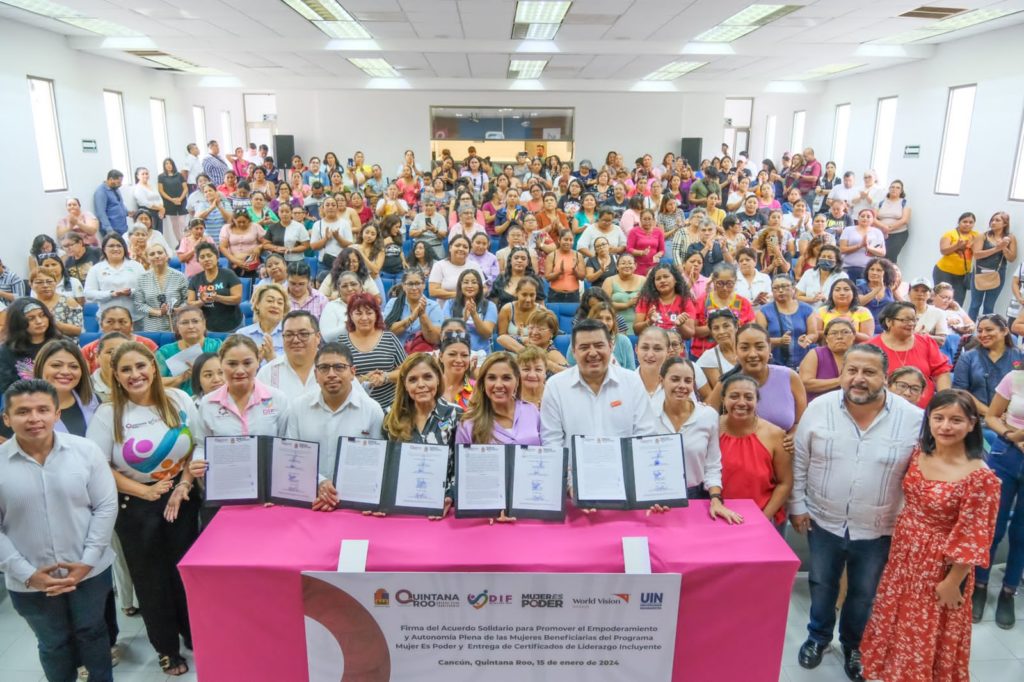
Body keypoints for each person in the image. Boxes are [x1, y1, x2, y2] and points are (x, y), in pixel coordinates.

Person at [790, 344, 923, 680]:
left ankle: (854, 645)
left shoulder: (913, 419)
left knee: (864, 593)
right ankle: (818, 637)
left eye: (869, 372)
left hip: (880, 526)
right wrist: (797, 505)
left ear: (886, 377)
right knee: (822, 583)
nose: (858, 378)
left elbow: (922, 472)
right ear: (842, 373)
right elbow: (801, 459)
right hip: (824, 519)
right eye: (852, 370)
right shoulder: (819, 408)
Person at [861, 390, 1000, 681]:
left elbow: (974, 537)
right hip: (904, 556)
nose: (945, 426)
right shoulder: (919, 453)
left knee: (924, 629)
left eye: (956, 420)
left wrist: (952, 582)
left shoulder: (980, 477)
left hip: (940, 566)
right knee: (898, 620)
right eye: (938, 418)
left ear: (972, 424)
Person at [86, 343, 200, 677]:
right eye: (126, 369)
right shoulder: (109, 414)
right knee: (152, 580)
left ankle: (193, 631)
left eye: (140, 366)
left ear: (153, 366)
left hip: (180, 498)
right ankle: (166, 648)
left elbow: (197, 445)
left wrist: (183, 485)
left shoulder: (178, 399)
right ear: (115, 376)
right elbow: (98, 466)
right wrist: (145, 491)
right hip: (135, 505)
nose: (135, 374)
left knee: (184, 573)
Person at [0, 379, 117, 682]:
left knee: (93, 633)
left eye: (42, 410)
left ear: (57, 414)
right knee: (53, 644)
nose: (34, 418)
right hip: (29, 580)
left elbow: (105, 506)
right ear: (7, 419)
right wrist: (28, 573)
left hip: (90, 572)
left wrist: (87, 561)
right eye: (23, 412)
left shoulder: (86, 451)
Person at [283, 342, 385, 502]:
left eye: (339, 367)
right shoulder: (298, 408)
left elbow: (378, 463)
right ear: (316, 374)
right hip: (309, 497)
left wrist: (333, 494)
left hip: (355, 500)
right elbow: (291, 457)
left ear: (353, 372)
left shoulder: (372, 410)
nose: (331, 374)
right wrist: (319, 483)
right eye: (324, 368)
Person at [540, 319, 657, 448]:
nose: (593, 353)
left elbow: (645, 435)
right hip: (573, 462)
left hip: (625, 461)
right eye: (584, 347)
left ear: (611, 346)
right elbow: (552, 441)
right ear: (573, 351)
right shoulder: (555, 386)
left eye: (599, 345)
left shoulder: (632, 382)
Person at [655, 358, 740, 520]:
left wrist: (716, 499)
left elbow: (712, 464)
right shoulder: (647, 416)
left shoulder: (708, 416)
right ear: (661, 380)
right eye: (675, 379)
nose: (682, 385)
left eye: (688, 381)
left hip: (697, 496)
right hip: (657, 496)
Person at [381, 353, 462, 518]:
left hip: (443, 507)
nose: (421, 384)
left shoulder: (456, 414)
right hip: (401, 508)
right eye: (413, 380)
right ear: (404, 385)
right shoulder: (390, 417)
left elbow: (462, 466)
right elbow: (385, 467)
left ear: (438, 379)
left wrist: (450, 496)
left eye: (427, 377)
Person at [977, 364, 1024, 628]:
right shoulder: (1014, 378)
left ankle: (1008, 591)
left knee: (1022, 533)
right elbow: (992, 416)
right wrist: (1012, 435)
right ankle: (980, 585)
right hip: (1005, 454)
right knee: (992, 526)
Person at [717, 372, 791, 530]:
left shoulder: (775, 434)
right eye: (734, 396)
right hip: (719, 515)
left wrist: (764, 518)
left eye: (749, 397)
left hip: (763, 515)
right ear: (723, 399)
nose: (741, 402)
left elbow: (785, 483)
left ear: (757, 401)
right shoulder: (711, 429)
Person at [707, 324, 806, 437]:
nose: (753, 354)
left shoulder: (789, 377)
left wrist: (793, 435)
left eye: (759, 347)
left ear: (769, 348)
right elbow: (708, 423)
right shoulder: (726, 384)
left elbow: (802, 421)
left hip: (784, 447)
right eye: (745, 348)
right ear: (736, 350)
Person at [868, 302, 952, 408]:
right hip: (883, 408)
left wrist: (944, 402)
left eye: (914, 319)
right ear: (889, 321)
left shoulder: (926, 342)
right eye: (906, 320)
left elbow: (941, 372)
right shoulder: (870, 348)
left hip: (922, 410)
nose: (911, 324)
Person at [456, 351, 542, 447]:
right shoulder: (469, 424)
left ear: (517, 381)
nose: (499, 385)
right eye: (492, 378)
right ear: (483, 383)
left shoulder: (532, 411)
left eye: (506, 378)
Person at [337, 293, 406, 409]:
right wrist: (364, 379)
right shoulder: (342, 343)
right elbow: (339, 378)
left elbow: (406, 370)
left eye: (369, 313)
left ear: (376, 315)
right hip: (356, 408)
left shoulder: (389, 338)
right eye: (358, 313)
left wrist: (385, 377)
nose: (364, 318)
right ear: (350, 315)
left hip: (392, 407)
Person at [691, 263, 755, 359]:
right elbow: (693, 330)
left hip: (735, 355)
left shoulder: (743, 303)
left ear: (735, 281)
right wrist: (716, 327)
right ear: (714, 281)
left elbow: (751, 330)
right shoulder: (703, 301)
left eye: (729, 284)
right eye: (720, 283)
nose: (725, 288)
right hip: (704, 355)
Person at [155, 305, 222, 395]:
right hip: (176, 399)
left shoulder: (217, 346)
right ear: (177, 327)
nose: (190, 326)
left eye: (195, 321)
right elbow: (154, 383)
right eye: (185, 322)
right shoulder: (165, 352)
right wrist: (181, 378)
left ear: (204, 324)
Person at [0, 298, 62, 392]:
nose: (39, 321)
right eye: (31, 318)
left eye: (42, 315)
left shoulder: (62, 343)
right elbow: (7, 386)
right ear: (18, 322)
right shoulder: (6, 351)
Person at [256, 311, 322, 395]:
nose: (296, 340)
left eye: (303, 334)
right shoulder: (268, 373)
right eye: (289, 335)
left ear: (317, 337)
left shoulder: (332, 369)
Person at [84, 233, 145, 323]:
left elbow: (146, 290)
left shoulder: (136, 266)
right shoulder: (96, 269)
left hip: (135, 319)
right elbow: (88, 293)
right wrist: (111, 294)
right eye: (111, 246)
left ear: (124, 248)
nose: (116, 249)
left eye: (119, 246)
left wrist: (130, 292)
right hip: (107, 321)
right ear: (104, 249)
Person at [756, 275, 815, 369]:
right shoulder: (764, 311)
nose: (780, 290)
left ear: (793, 288)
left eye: (784, 286)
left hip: (803, 362)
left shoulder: (806, 309)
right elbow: (759, 339)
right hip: (775, 364)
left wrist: (807, 339)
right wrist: (779, 341)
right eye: (776, 288)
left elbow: (813, 334)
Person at [186, 242, 243, 333]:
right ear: (198, 261)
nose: (206, 259)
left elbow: (237, 299)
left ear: (216, 257)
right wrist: (202, 301)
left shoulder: (229, 274)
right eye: (202, 257)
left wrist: (217, 297)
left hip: (233, 326)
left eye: (209, 255)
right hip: (208, 328)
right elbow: (190, 304)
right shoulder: (195, 279)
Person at [968, 211, 1016, 319]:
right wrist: (996, 248)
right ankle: (970, 328)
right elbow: (977, 254)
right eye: (992, 220)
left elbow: (1012, 258)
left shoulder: (1010, 238)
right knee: (975, 304)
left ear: (1005, 223)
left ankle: (987, 327)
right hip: (979, 273)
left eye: (997, 220)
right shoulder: (983, 236)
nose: (993, 222)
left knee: (989, 306)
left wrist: (1004, 247)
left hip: (998, 274)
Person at [132, 244, 188, 332]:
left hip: (177, 325)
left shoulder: (180, 276)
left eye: (160, 253)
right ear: (147, 259)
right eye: (152, 254)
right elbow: (139, 304)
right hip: (152, 327)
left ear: (166, 256)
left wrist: (176, 310)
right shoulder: (142, 278)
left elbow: (187, 300)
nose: (157, 256)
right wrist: (158, 312)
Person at [632, 263, 697, 338]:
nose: (662, 281)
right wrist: (649, 322)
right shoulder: (646, 300)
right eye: (658, 279)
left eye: (666, 276)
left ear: (675, 279)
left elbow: (690, 334)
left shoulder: (685, 301)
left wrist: (680, 326)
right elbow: (636, 331)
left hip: (675, 344)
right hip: (653, 343)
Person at [441, 269, 497, 352]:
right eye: (466, 282)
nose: (470, 286)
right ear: (460, 285)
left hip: (481, 352)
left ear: (479, 286)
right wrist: (464, 320)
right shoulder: (449, 304)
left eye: (474, 282)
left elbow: (486, 334)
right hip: (454, 349)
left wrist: (474, 315)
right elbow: (447, 333)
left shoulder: (490, 306)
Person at [799, 318, 855, 401]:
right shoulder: (815, 354)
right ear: (826, 338)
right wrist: (839, 381)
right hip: (819, 405)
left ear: (853, 336)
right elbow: (805, 383)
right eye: (833, 333)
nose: (839, 337)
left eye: (845, 332)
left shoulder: (861, 355)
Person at [383, 270, 443, 348]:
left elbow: (435, 339)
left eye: (418, 283)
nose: (414, 288)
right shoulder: (393, 303)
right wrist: (412, 318)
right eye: (410, 284)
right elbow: (387, 333)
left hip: (421, 353)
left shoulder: (433, 306)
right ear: (403, 286)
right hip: (395, 351)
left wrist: (423, 316)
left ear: (424, 285)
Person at [810, 278, 875, 344]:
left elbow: (868, 338)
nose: (842, 293)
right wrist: (835, 331)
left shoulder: (863, 312)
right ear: (831, 294)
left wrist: (849, 331)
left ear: (853, 293)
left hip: (856, 349)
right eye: (837, 290)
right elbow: (815, 334)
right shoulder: (822, 311)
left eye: (846, 289)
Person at [933, 211, 979, 306]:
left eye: (971, 222)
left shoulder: (976, 235)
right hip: (944, 272)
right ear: (959, 222)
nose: (967, 224)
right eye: (965, 221)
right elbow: (943, 251)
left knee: (957, 302)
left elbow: (977, 251)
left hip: (962, 275)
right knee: (941, 299)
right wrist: (957, 246)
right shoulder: (950, 234)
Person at [236, 283, 289, 362]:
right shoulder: (242, 335)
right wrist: (253, 362)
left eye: (280, 303)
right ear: (257, 304)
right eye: (270, 301)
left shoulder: (291, 335)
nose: (275, 306)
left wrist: (273, 358)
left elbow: (297, 366)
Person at [695, 309, 738, 397]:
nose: (721, 332)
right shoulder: (708, 358)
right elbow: (722, 392)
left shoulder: (748, 350)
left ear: (736, 327)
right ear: (711, 332)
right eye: (716, 328)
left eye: (726, 326)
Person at [28, 268, 82, 339]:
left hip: (64, 343)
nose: (45, 285)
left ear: (56, 283)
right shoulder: (29, 305)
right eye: (39, 282)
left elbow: (78, 331)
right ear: (31, 285)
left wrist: (52, 321)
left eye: (49, 281)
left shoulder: (68, 302)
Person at [838, 208, 886, 282]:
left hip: (868, 268)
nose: (865, 218)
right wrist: (859, 246)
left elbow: (882, 252)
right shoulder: (848, 230)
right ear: (858, 218)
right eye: (862, 216)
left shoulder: (876, 232)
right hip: (848, 267)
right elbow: (842, 249)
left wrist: (868, 247)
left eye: (868, 217)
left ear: (873, 219)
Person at [602, 252, 645, 334]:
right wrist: (626, 305)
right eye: (623, 263)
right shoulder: (609, 281)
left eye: (630, 263)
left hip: (639, 325)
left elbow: (650, 302)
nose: (627, 266)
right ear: (617, 266)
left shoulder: (643, 280)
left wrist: (641, 301)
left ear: (635, 265)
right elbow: (604, 304)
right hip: (615, 325)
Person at [795, 244, 847, 310]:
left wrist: (826, 300)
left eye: (830, 258)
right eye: (823, 256)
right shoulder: (809, 273)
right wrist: (812, 299)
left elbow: (844, 300)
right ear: (818, 258)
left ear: (837, 261)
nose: (826, 259)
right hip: (810, 312)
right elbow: (798, 296)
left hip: (832, 312)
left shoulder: (842, 276)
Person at [544, 229, 586, 304]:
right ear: (559, 240)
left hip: (573, 295)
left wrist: (575, 271)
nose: (568, 242)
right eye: (565, 239)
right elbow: (547, 278)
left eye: (571, 240)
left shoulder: (578, 255)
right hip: (555, 295)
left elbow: (582, 277)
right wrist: (559, 272)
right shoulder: (552, 256)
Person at [875, 179, 911, 263]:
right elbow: (873, 218)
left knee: (890, 257)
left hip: (898, 234)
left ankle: (892, 271)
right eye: (892, 187)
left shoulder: (904, 202)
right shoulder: (881, 202)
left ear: (901, 191)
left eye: (898, 188)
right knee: (879, 256)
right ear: (889, 189)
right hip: (881, 233)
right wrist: (883, 227)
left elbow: (905, 220)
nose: (894, 189)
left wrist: (889, 228)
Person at [856, 257, 897, 332]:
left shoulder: (889, 289)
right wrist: (877, 289)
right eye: (872, 269)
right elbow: (859, 302)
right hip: (865, 329)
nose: (874, 273)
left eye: (879, 270)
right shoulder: (860, 288)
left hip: (885, 330)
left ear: (886, 273)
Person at [157, 159, 189, 247]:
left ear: (173, 165)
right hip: (169, 203)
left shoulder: (179, 175)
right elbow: (161, 191)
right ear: (164, 166)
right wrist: (172, 200)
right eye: (166, 164)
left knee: (182, 223)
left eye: (170, 163)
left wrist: (180, 199)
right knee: (174, 224)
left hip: (181, 202)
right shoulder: (161, 177)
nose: (168, 165)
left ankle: (185, 241)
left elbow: (185, 188)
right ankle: (180, 242)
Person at [93, 170, 129, 236]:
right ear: (111, 179)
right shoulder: (101, 192)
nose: (120, 185)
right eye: (118, 182)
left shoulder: (115, 189)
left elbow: (120, 203)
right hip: (112, 230)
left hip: (122, 227)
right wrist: (109, 230)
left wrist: (127, 212)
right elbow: (101, 213)